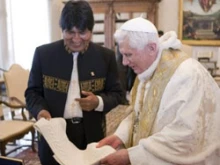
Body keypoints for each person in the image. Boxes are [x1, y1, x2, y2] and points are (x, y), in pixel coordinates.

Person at [97, 17, 220, 165]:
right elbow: (138, 115)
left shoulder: (188, 75)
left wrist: (132, 156)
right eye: (122, 54)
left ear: (151, 48)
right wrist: (120, 136)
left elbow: (187, 136)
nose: (124, 62)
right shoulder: (146, 71)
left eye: (128, 54)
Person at [25, 1, 123, 165]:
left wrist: (98, 102)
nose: (76, 39)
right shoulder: (43, 54)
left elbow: (117, 94)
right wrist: (40, 111)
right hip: (54, 137)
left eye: (83, 32)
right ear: (62, 29)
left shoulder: (106, 57)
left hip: (91, 135)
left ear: (91, 31)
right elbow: (32, 92)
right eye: (70, 32)